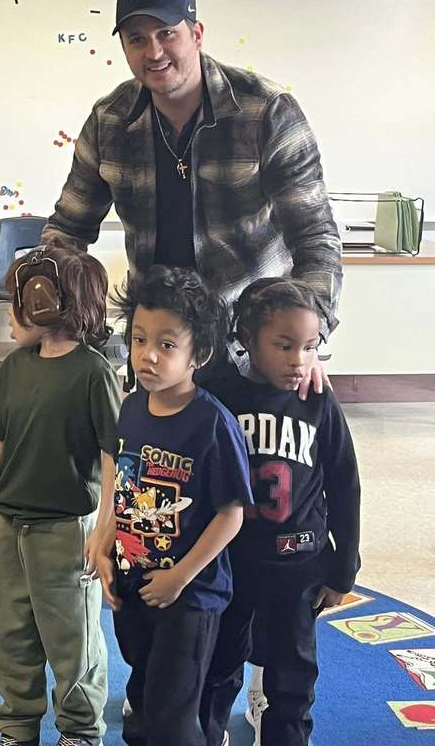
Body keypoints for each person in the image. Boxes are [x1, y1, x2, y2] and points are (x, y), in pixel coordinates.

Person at [44, 0, 343, 365]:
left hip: (254, 340)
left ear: (196, 34)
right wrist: (47, 305)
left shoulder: (266, 110)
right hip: (156, 342)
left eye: (167, 33)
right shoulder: (109, 121)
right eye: (137, 39)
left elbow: (315, 237)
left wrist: (306, 340)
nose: (153, 52)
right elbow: (67, 230)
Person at [0, 243, 121, 746]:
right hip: (10, 528)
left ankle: (79, 732)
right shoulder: (15, 367)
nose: (10, 308)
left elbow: (112, 458)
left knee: (72, 639)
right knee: (6, 635)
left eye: (17, 298)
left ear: (41, 303)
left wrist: (104, 531)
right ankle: (16, 727)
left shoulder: (94, 372)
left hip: (65, 532)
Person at [95, 266, 252, 746]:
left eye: (167, 345)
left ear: (197, 354)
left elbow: (232, 513)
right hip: (134, 584)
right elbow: (121, 484)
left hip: (190, 595)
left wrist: (180, 576)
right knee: (144, 700)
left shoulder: (212, 424)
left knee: (173, 717)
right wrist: (103, 545)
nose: (148, 355)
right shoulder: (131, 409)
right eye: (140, 339)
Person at [200, 278, 361, 746]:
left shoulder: (318, 400)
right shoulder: (219, 394)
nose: (298, 360)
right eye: (284, 345)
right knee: (217, 663)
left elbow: (344, 482)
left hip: (299, 563)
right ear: (247, 340)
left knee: (292, 674)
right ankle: (207, 735)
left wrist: (343, 565)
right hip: (230, 564)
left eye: (310, 347)